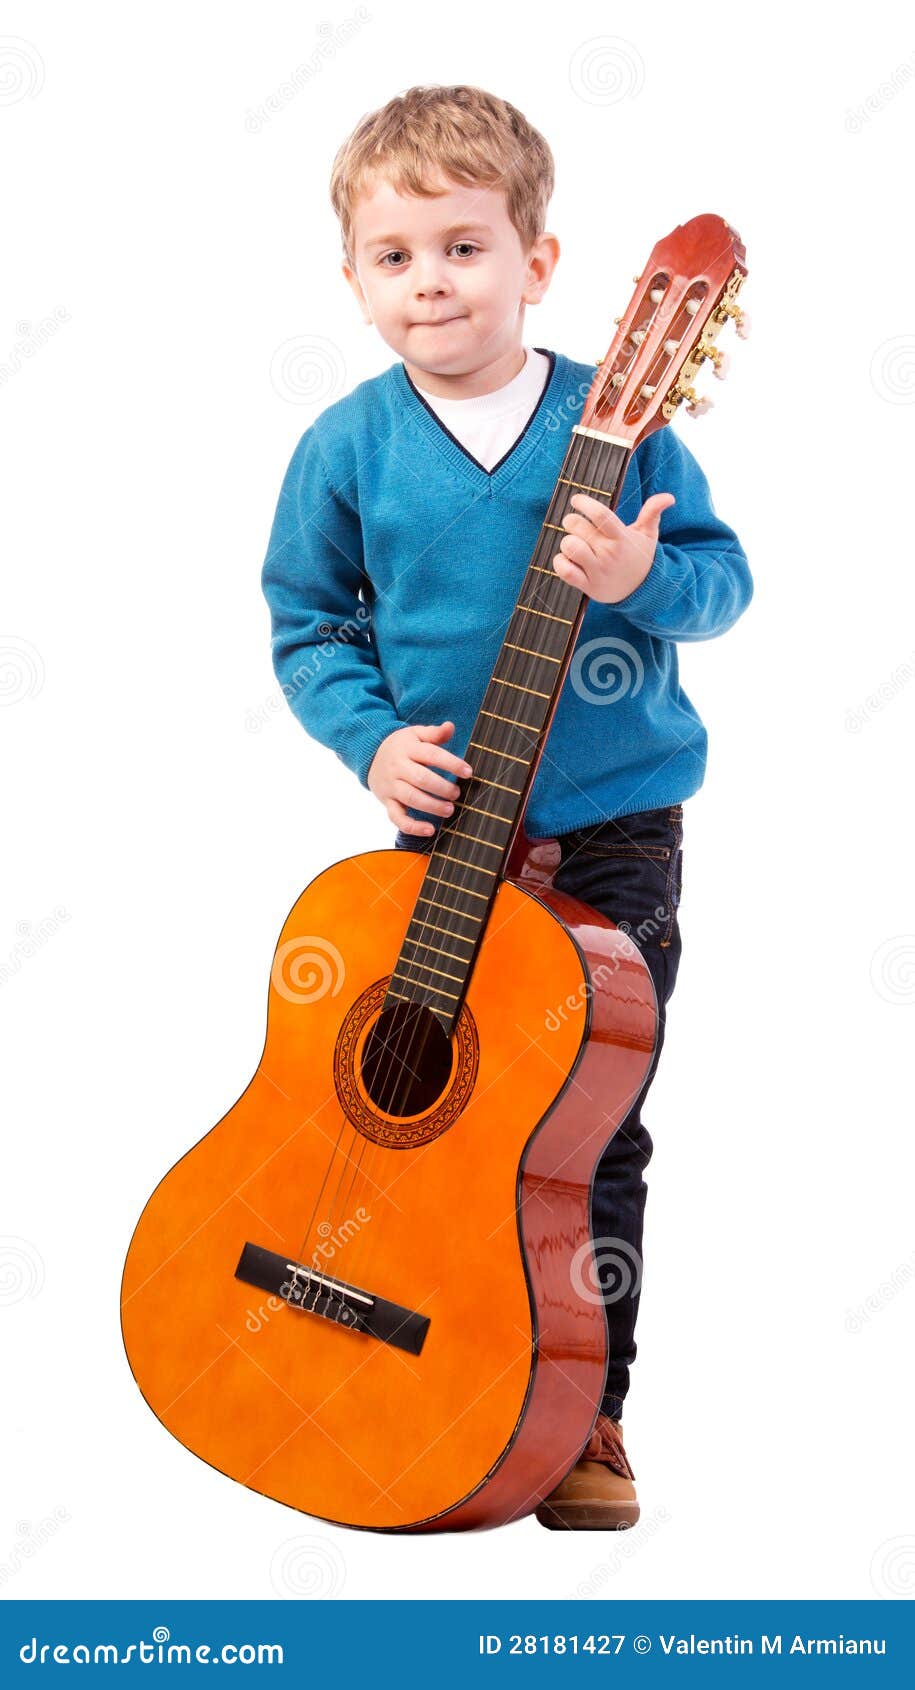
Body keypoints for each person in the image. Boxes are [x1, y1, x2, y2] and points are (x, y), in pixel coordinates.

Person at [260, 83, 752, 1530]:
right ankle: (386, 1333)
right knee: (422, 1090)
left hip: (613, 834)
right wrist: (366, 744)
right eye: (397, 255)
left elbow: (721, 582)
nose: (432, 283)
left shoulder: (622, 418)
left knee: (577, 1123)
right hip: (443, 831)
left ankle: (582, 1404)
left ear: (538, 261)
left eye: (465, 249)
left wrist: (639, 584)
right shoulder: (347, 447)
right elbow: (309, 622)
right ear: (352, 276)